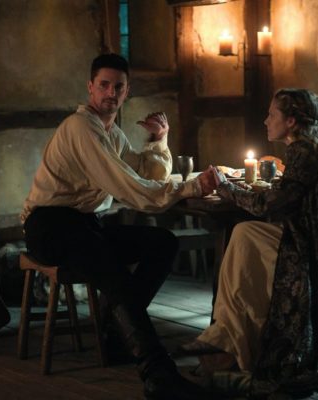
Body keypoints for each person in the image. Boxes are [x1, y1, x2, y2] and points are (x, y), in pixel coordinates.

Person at [21, 53, 217, 400]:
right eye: (104, 85)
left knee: (162, 243)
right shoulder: (81, 127)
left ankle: (116, 336)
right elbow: (130, 188)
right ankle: (158, 376)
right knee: (116, 277)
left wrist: (158, 139)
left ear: (127, 92)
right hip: (49, 228)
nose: (111, 93)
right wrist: (189, 187)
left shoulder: (109, 132)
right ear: (91, 88)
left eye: (119, 87)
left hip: (84, 225)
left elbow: (141, 171)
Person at [181, 89, 318, 398]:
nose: (265, 120)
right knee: (245, 234)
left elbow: (270, 205)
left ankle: (231, 342)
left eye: (272, 114)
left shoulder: (305, 151)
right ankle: (225, 337)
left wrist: (226, 189)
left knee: (247, 241)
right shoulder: (313, 146)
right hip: (315, 240)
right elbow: (289, 197)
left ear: (290, 121)